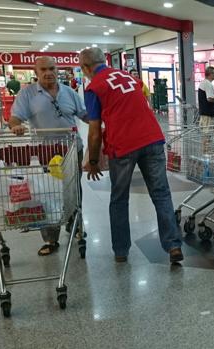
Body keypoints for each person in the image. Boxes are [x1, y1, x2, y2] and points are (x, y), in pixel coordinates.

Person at [79, 48, 184, 264]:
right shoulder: (130, 77)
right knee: (162, 194)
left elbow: (94, 130)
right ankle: (173, 246)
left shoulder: (94, 88)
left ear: (86, 68)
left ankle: (120, 250)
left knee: (119, 198)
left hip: (123, 145)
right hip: (152, 138)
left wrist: (92, 161)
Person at [9, 56, 88, 256]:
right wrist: (16, 125)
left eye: (51, 68)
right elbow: (15, 117)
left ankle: (76, 226)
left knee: (74, 190)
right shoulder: (27, 94)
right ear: (36, 72)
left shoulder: (69, 92)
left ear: (57, 69)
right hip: (45, 153)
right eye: (43, 69)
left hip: (72, 150)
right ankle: (51, 239)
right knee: (47, 194)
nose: (48, 72)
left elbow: (83, 114)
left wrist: (102, 121)